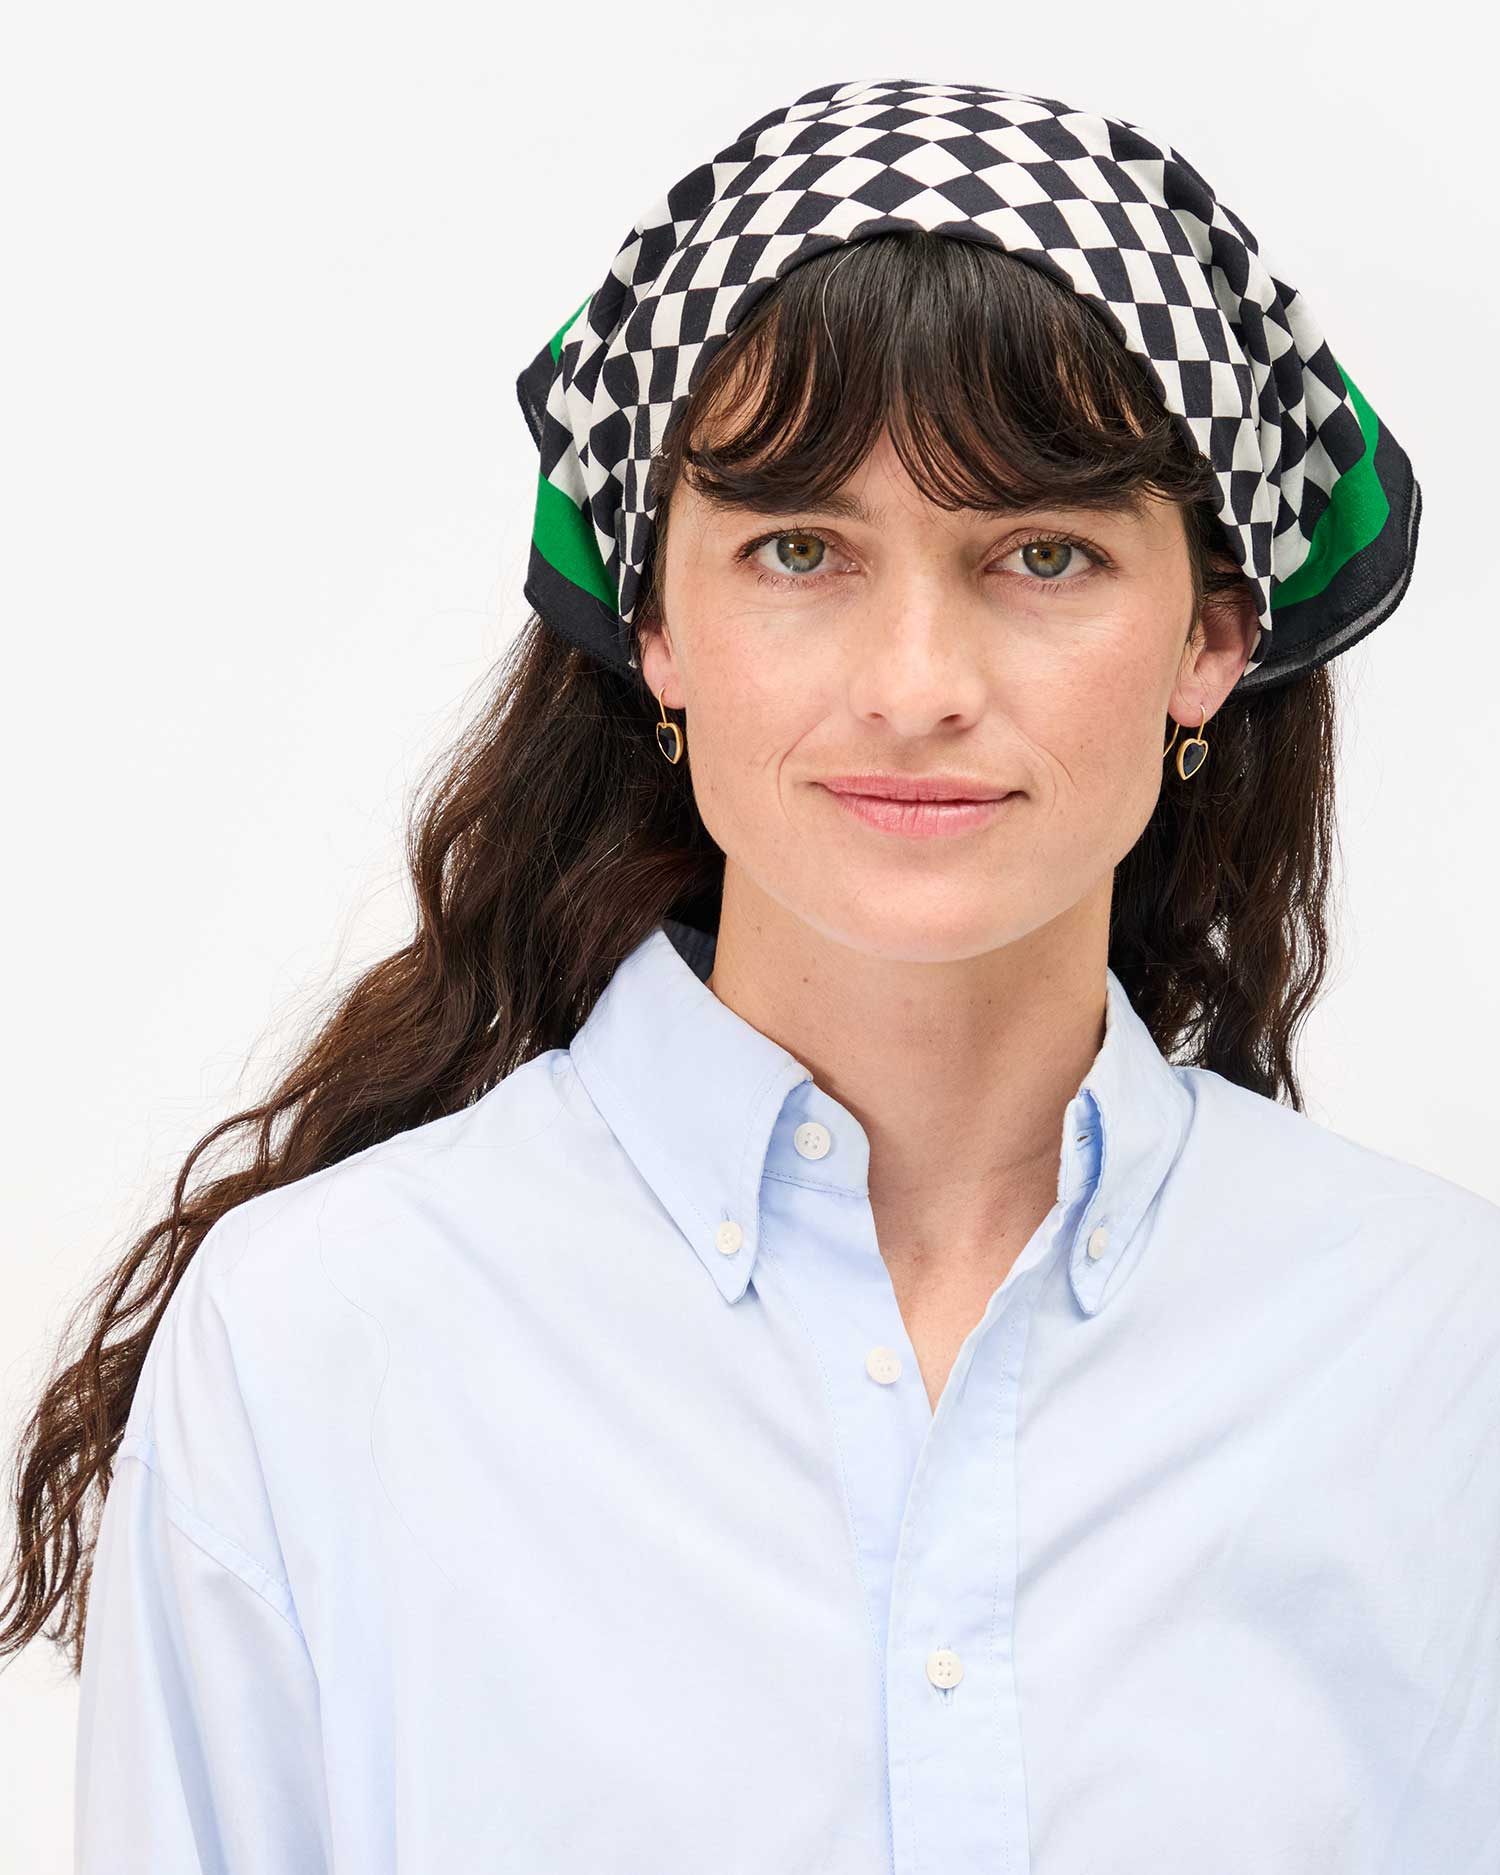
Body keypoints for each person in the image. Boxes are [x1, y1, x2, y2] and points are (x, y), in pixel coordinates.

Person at [4, 76, 1495, 1874]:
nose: (917, 681)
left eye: (1044, 553)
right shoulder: (321, 1346)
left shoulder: (1442, 1358)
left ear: (1213, 633)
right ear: (653, 622)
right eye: (802, 548)